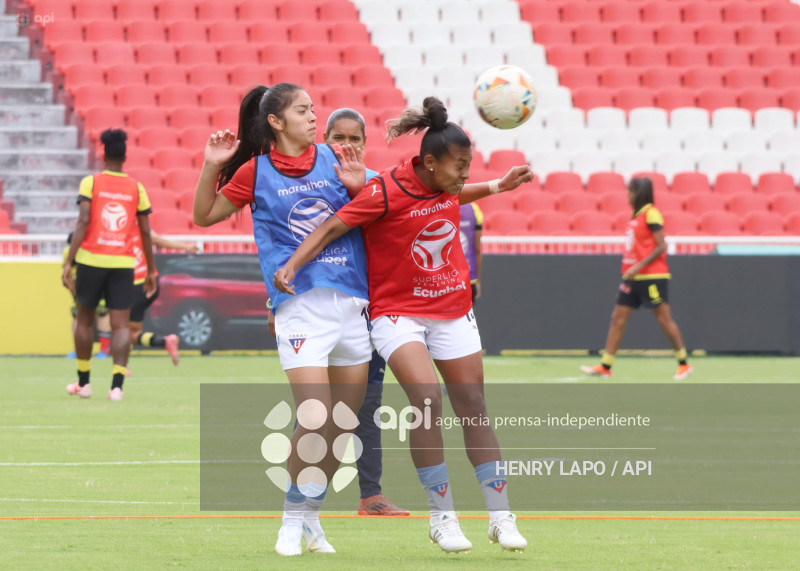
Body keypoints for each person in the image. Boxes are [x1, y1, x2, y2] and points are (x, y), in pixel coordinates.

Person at [275, 97, 533, 553]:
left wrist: (497, 186)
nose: (464, 174)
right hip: (398, 313)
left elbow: (455, 193)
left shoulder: (446, 183)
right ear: (429, 163)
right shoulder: (384, 190)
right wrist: (292, 265)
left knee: (472, 403)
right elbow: (332, 228)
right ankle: (443, 518)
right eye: (459, 166)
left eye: (469, 165)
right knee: (427, 398)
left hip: (452, 307)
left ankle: (500, 517)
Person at [192, 84, 371, 557]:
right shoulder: (256, 171)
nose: (314, 116)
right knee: (314, 416)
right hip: (300, 308)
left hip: (352, 304)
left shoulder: (338, 158)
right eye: (303, 110)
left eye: (314, 109)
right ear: (276, 121)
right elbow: (205, 215)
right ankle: (291, 520)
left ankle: (311, 517)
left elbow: (380, 204)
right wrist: (213, 162)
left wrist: (359, 188)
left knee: (342, 424)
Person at [323, 108, 409, 517]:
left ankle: (371, 495)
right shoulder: (312, 187)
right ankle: (302, 496)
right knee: (318, 406)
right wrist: (276, 300)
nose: (347, 146)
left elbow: (391, 238)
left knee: (367, 406)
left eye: (355, 138)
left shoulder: (378, 186)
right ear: (324, 140)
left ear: (365, 143)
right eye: (338, 138)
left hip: (369, 310)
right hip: (317, 309)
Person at [62, 129, 157, 401]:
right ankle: (116, 387)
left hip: (91, 260)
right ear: (125, 156)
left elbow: (82, 222)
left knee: (84, 320)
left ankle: (84, 383)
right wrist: (150, 270)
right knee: (121, 325)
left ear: (103, 154)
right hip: (123, 263)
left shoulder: (90, 183)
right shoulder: (136, 188)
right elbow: (147, 233)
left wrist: (70, 261)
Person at [580, 177, 692, 381]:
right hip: (632, 278)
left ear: (637, 192)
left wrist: (638, 266)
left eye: (629, 191)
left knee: (663, 320)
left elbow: (661, 246)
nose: (627, 195)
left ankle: (683, 364)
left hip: (652, 277)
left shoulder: (651, 213)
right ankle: (606, 366)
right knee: (617, 318)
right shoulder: (636, 216)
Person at [129, 229, 199, 364]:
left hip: (136, 284)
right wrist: (186, 247)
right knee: (130, 331)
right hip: (150, 282)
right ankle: (165, 342)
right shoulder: (139, 224)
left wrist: (186, 247)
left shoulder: (128, 227)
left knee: (123, 331)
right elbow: (156, 238)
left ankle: (122, 368)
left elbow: (155, 239)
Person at [63, 231, 113, 359]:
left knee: (103, 312)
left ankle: (104, 350)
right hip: (80, 288)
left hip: (100, 286)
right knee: (77, 315)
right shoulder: (68, 254)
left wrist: (103, 297)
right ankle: (78, 350)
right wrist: (75, 298)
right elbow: (69, 278)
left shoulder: (95, 252)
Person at [459, 202, 483, 301]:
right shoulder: (474, 209)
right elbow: (477, 248)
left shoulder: (439, 205)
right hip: (469, 278)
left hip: (445, 281)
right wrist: (477, 281)